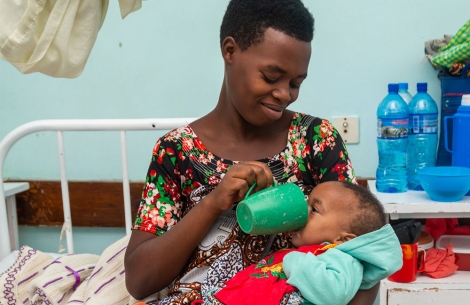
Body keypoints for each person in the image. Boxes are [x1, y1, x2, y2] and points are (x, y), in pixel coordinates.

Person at [124, 1, 380, 304]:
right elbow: (139, 281)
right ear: (230, 51)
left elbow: (365, 256)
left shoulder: (316, 141)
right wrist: (213, 203)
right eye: (272, 77)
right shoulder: (176, 152)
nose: (284, 94)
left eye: (296, 83)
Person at [206, 181, 402, 305]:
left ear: (343, 239)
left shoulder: (342, 257)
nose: (302, 212)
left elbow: (335, 293)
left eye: (314, 209)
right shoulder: (309, 251)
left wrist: (293, 260)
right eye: (306, 203)